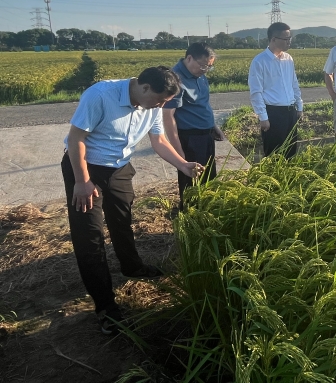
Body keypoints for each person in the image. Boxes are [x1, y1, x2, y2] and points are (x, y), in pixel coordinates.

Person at [61, 66, 205, 335]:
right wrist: (82, 181)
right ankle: (106, 307)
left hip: (119, 168)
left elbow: (158, 139)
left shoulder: (153, 105)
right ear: (144, 87)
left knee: (122, 220)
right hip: (85, 167)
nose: (160, 107)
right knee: (89, 236)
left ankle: (132, 267)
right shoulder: (100, 95)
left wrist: (183, 165)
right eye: (159, 101)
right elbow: (76, 138)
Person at [163, 43, 224, 209]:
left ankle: (207, 210)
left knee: (208, 177)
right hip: (190, 138)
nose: (205, 70)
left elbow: (203, 104)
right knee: (192, 180)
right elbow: (168, 117)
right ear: (189, 58)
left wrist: (213, 125)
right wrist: (179, 153)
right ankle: (190, 215)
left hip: (206, 135)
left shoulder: (199, 75)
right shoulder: (176, 80)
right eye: (203, 65)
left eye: (209, 67)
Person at [248, 22, 303, 158]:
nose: (289, 42)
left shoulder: (288, 59)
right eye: (286, 39)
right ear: (273, 39)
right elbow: (256, 92)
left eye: (290, 38)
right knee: (274, 155)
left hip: (290, 112)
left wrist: (299, 106)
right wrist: (263, 117)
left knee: (290, 153)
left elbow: (294, 84)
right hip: (273, 114)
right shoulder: (259, 61)